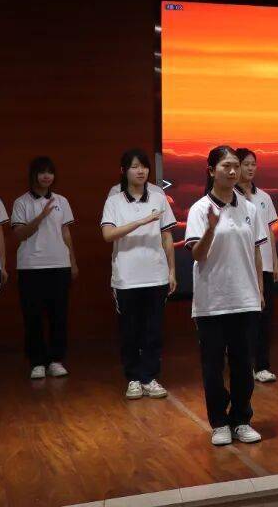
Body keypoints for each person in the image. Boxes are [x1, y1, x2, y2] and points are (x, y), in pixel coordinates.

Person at [185, 145, 265, 445]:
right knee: (213, 367)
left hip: (244, 298)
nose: (232, 171)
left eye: (236, 166)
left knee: (244, 365)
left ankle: (242, 419)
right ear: (211, 171)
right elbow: (197, 254)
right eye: (225, 166)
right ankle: (219, 422)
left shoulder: (250, 209)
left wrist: (259, 291)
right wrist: (210, 229)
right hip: (212, 301)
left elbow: (256, 252)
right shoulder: (199, 209)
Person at [101, 148, 178, 399]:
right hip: (126, 277)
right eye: (134, 167)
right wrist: (141, 222)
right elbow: (108, 235)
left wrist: (172, 270)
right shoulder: (114, 201)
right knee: (130, 331)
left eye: (144, 166)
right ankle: (133, 378)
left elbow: (167, 236)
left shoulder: (158, 198)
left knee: (153, 330)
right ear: (124, 171)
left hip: (156, 274)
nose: (140, 171)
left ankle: (149, 377)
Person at [11, 156, 78, 380]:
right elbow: (19, 234)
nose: (46, 176)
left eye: (50, 172)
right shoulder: (21, 202)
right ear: (33, 175)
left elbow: (66, 233)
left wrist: (73, 262)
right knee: (33, 316)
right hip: (31, 266)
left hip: (59, 264)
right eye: (42, 172)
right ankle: (37, 362)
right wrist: (40, 216)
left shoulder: (62, 201)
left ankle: (56, 360)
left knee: (59, 315)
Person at [235, 148, 278, 383]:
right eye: (246, 164)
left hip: (264, 264)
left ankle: (262, 365)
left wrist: (275, 262)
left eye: (253, 164)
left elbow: (270, 232)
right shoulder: (230, 197)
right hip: (241, 266)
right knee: (244, 319)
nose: (250, 168)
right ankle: (243, 363)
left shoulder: (264, 197)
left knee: (264, 317)